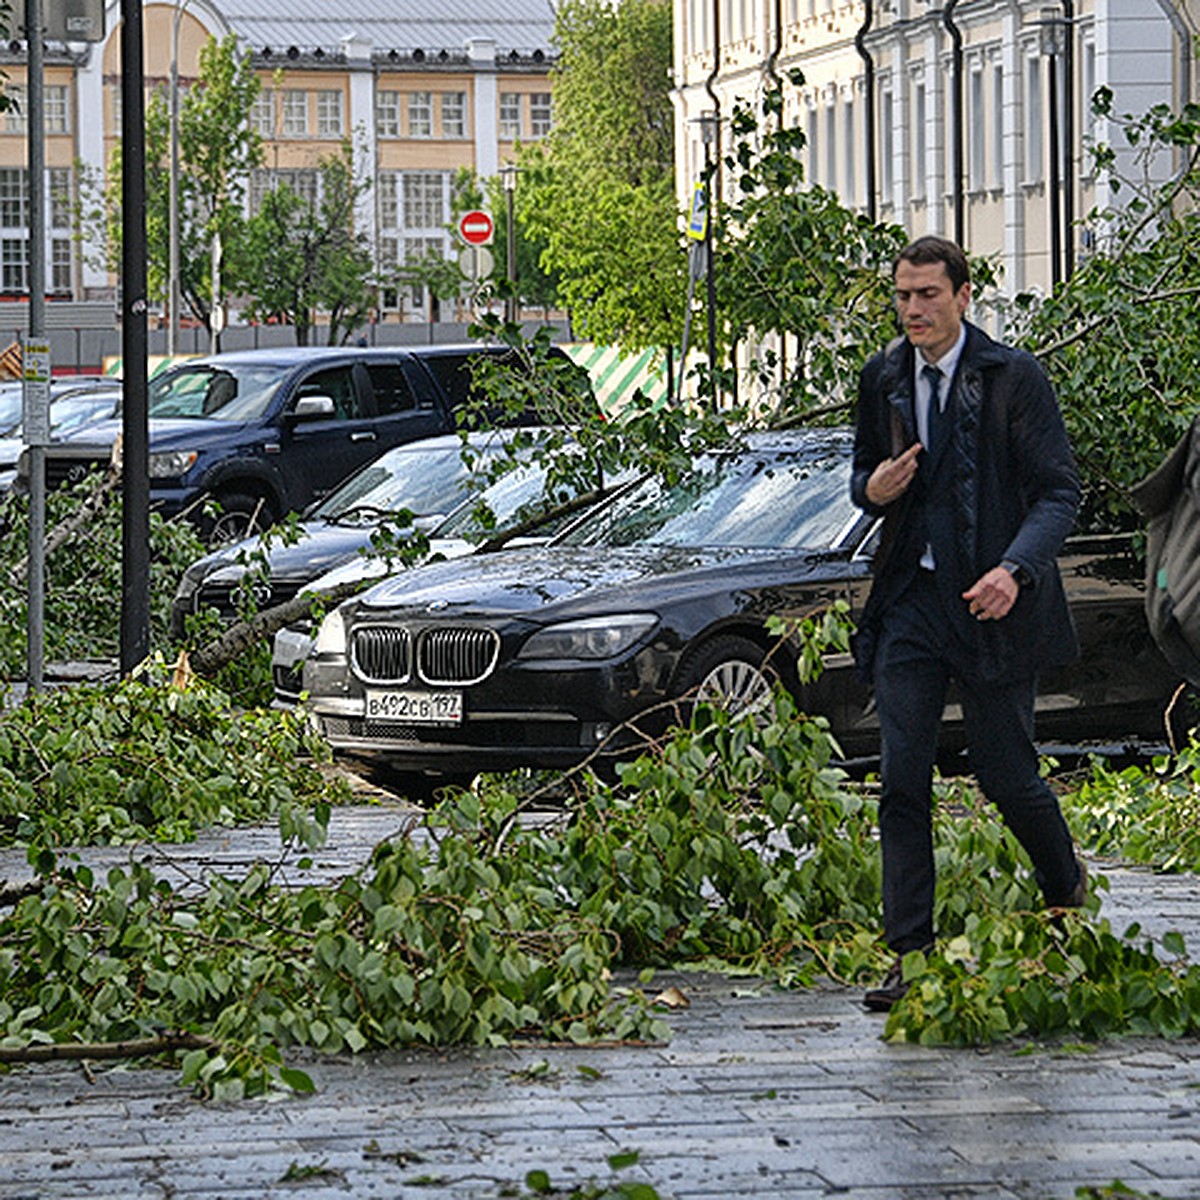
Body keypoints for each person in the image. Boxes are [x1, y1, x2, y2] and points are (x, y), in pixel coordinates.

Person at [850, 235, 1087, 1012]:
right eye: (902, 295)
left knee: (1004, 773)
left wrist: (1014, 569)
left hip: (994, 603)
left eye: (927, 295)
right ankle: (909, 954)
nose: (913, 309)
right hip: (912, 605)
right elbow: (863, 480)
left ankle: (1065, 890)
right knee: (902, 777)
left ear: (963, 295)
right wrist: (873, 487)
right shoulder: (883, 376)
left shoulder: (1013, 378)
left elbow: (1060, 493)